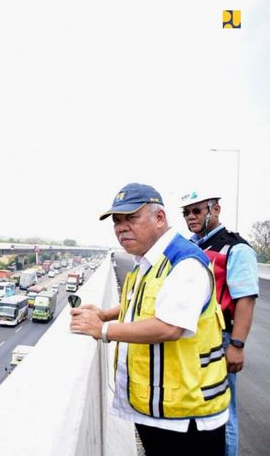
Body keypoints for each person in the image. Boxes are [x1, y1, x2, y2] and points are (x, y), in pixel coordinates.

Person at [70, 183, 229, 456]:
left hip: (187, 417)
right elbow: (141, 305)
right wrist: (105, 313)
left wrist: (103, 328)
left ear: (159, 218)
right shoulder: (147, 262)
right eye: (117, 221)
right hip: (163, 410)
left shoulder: (184, 262)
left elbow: (170, 326)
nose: (121, 228)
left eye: (131, 218)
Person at [180, 190, 259, 456]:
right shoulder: (190, 247)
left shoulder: (235, 248)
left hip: (221, 339)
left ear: (215, 210)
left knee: (223, 413)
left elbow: (246, 300)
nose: (190, 216)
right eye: (186, 212)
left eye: (197, 210)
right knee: (200, 413)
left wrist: (237, 345)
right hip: (191, 340)